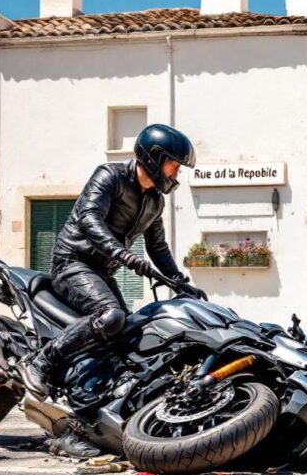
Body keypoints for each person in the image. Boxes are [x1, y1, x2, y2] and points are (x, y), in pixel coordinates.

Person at [19, 123, 205, 457]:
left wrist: (181, 283)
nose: (176, 173)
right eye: (173, 165)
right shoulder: (110, 176)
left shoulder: (154, 203)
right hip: (72, 263)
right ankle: (41, 362)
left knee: (129, 335)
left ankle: (84, 410)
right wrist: (122, 254)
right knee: (111, 316)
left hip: (102, 272)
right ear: (154, 157)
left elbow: (158, 247)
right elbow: (90, 219)